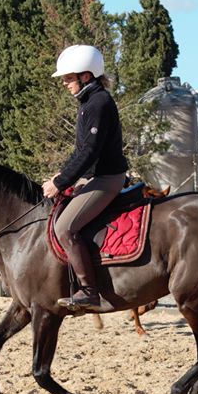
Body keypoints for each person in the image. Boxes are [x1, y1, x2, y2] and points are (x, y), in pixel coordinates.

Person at [41, 45, 129, 311]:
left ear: (87, 76)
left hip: (107, 178)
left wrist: (60, 183)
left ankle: (89, 291)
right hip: (96, 177)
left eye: (69, 78)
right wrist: (63, 174)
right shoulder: (89, 103)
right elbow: (82, 151)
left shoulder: (98, 103)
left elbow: (90, 152)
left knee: (64, 228)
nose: (65, 84)